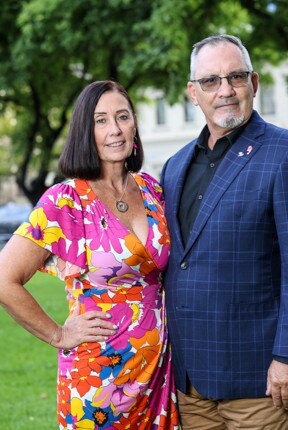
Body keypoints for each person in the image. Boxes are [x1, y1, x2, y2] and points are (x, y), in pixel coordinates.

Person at [161, 34, 288, 430]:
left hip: (261, 383)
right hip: (190, 385)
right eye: (211, 81)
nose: (225, 90)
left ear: (254, 83)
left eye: (236, 77)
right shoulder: (175, 167)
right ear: (192, 93)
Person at [0, 80, 179, 429]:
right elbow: (5, 279)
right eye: (100, 120)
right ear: (85, 131)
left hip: (157, 374)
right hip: (97, 380)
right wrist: (58, 335)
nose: (114, 129)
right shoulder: (64, 202)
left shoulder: (153, 190)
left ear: (134, 126)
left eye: (122, 117)